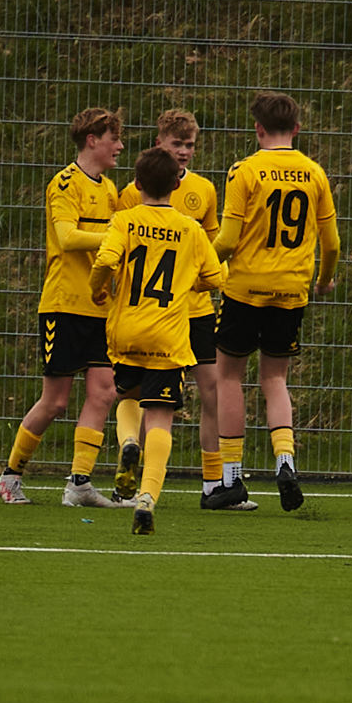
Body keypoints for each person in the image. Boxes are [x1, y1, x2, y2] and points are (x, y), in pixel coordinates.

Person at [210, 92, 339, 512]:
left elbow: (227, 240)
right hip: (291, 289)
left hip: (245, 288)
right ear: (297, 129)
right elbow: (332, 243)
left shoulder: (244, 170)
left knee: (229, 377)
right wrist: (324, 280)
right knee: (275, 379)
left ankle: (231, 478)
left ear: (258, 129)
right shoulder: (314, 173)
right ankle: (285, 461)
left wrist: (199, 270)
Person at [90, 146, 230, 536]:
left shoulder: (125, 219)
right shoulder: (191, 229)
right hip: (168, 334)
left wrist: (98, 290)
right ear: (175, 184)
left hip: (127, 329)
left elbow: (104, 262)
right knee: (162, 419)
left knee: (128, 397)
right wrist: (188, 283)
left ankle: (127, 444)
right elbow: (217, 279)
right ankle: (148, 498)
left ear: (136, 184)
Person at [0, 107, 127, 508]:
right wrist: (115, 234)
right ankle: (10, 475)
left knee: (104, 393)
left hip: (99, 307)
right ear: (92, 140)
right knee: (55, 401)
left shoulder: (109, 190)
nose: (120, 146)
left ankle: (79, 483)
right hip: (64, 304)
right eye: (113, 139)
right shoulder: (64, 183)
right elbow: (67, 237)